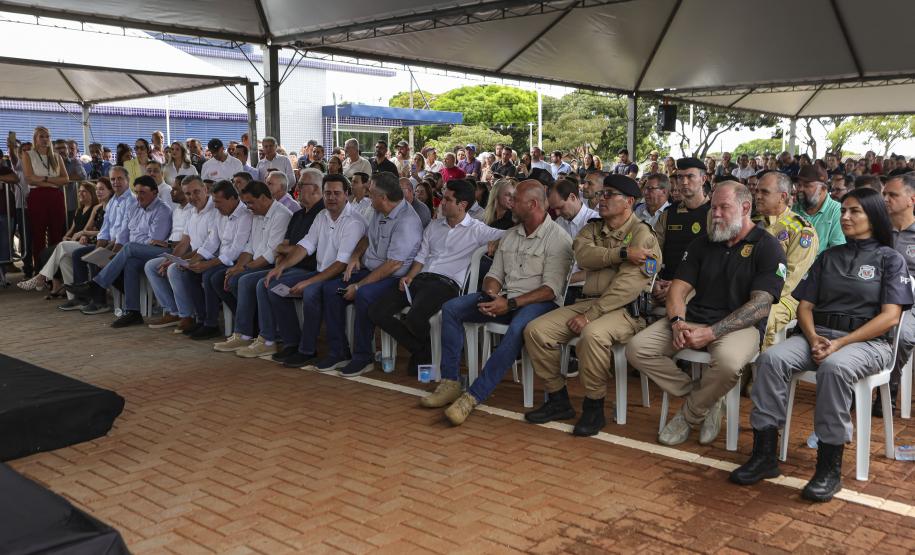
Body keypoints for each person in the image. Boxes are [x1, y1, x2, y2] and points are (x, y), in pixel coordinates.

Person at [731, 187, 912, 502]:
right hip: (819, 335)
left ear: (874, 215)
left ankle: (829, 468)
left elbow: (890, 318)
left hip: (868, 343)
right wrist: (814, 338)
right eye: (843, 210)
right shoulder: (829, 256)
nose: (845, 217)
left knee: (834, 367)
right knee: (771, 360)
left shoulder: (890, 259)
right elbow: (804, 307)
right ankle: (765, 454)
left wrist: (840, 343)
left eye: (855, 211)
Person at [626, 182, 786, 446]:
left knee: (728, 363)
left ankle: (688, 416)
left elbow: (761, 305)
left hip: (740, 326)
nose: (716, 214)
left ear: (745, 208)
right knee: (637, 348)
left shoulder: (767, 246)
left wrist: (711, 333)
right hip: (694, 317)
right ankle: (707, 398)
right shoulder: (703, 243)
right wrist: (678, 323)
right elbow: (678, 290)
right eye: (713, 207)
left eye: (724, 207)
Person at [422, 180, 573, 425]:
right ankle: (450, 381)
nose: (510, 204)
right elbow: (495, 274)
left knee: (517, 329)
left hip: (540, 304)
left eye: (516, 200)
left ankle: (473, 396)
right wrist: (491, 291)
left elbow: (549, 290)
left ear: (532, 204)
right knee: (451, 309)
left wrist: (510, 304)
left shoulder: (558, 239)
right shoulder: (512, 234)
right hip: (505, 299)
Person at [525, 175, 661, 434]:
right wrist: (620, 254)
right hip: (589, 302)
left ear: (629, 202)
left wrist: (590, 316)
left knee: (592, 334)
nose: (602, 198)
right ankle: (558, 398)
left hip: (626, 311)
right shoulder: (594, 227)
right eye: (602, 193)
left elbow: (627, 287)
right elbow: (582, 255)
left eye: (610, 194)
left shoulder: (642, 235)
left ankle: (594, 406)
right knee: (536, 330)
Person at [368, 179, 505, 374]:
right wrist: (410, 276)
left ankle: (423, 352)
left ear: (462, 205)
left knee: (415, 317)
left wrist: (497, 241)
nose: (442, 203)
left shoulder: (477, 229)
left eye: (448, 200)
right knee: (376, 311)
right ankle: (423, 350)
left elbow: (511, 234)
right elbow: (421, 256)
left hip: (445, 285)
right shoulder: (434, 226)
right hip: (421, 279)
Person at [306, 172, 422, 375]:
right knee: (331, 289)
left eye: (371, 192)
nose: (367, 195)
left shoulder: (407, 222)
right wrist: (355, 256)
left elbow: (393, 265)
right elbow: (367, 237)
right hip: (371, 269)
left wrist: (359, 286)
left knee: (363, 295)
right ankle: (338, 351)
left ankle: (363, 357)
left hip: (392, 278)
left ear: (383, 197)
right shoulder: (379, 209)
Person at [262, 174, 367, 367]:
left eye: (336, 193)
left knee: (310, 292)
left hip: (342, 275)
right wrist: (281, 267)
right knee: (275, 287)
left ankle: (307, 350)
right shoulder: (322, 216)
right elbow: (305, 246)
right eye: (327, 193)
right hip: (321, 273)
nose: (331, 197)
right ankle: (293, 343)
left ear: (346, 195)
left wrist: (309, 282)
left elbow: (341, 264)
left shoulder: (353, 221)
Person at [229, 172, 327, 358]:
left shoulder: (322, 213)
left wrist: (287, 251)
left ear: (315, 188)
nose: (296, 188)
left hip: (310, 269)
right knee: (262, 281)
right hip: (291, 266)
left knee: (268, 285)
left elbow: (308, 248)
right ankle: (271, 336)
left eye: (301, 184)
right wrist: (279, 265)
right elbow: (282, 249)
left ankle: (272, 338)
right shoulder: (298, 215)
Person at [66, 175, 173, 327]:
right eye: (137, 192)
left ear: (155, 192)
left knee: (129, 248)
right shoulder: (135, 207)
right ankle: (133, 312)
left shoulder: (162, 210)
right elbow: (123, 234)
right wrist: (115, 252)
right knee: (127, 261)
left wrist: (128, 247)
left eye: (143, 192)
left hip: (157, 251)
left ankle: (97, 285)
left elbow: (155, 241)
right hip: (135, 252)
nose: (139, 197)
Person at [211, 181, 293, 353]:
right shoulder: (257, 213)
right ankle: (251, 326)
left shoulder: (281, 214)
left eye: (250, 202)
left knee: (245, 281)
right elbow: (249, 247)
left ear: (263, 198)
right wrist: (238, 267)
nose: (248, 207)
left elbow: (272, 252)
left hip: (272, 264)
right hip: (257, 262)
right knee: (222, 277)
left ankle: (246, 334)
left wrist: (245, 269)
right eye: (246, 203)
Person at [178, 180, 253, 338]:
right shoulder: (221, 213)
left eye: (218, 202)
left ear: (233, 198)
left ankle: (211, 324)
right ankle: (202, 319)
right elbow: (212, 241)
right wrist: (195, 259)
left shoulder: (245, 215)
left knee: (209, 275)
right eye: (214, 202)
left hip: (238, 261)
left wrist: (207, 264)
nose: (216, 206)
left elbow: (236, 250)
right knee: (189, 272)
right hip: (222, 259)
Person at [754, 171, 819, 348]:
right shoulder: (751, 222)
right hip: (749, 290)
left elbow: (792, 277)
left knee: (764, 317)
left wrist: (759, 296)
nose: (757, 196)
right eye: (757, 191)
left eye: (764, 192)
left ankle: (760, 372)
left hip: (784, 296)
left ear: (782, 197)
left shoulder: (800, 229)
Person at [60, 166, 137, 313]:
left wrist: (104, 253)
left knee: (98, 259)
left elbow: (124, 233)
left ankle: (100, 302)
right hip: (110, 243)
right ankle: (82, 298)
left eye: (120, 178)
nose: (116, 182)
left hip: (123, 245)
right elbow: (105, 229)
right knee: (79, 254)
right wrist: (99, 248)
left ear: (128, 180)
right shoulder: (113, 200)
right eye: (113, 179)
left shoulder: (131, 201)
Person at [143, 176, 216, 328]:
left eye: (196, 192)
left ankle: (187, 315)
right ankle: (172, 311)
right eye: (188, 194)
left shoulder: (214, 210)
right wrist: (172, 258)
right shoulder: (193, 211)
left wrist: (177, 260)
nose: (192, 197)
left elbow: (210, 245)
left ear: (205, 189)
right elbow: (184, 242)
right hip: (194, 255)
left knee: (174, 269)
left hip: (210, 256)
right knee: (152, 265)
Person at [18, 181, 104, 296]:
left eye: (84, 191)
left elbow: (88, 230)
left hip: (88, 242)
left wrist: (82, 235)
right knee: (49, 253)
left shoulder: (95, 208)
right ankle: (69, 294)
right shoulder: (79, 210)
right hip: (77, 240)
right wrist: (66, 236)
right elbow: (73, 229)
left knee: (59, 248)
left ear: (91, 194)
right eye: (79, 191)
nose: (81, 194)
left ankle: (41, 277)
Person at [876, 173, 915, 416]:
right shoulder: (877, 232)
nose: (886, 199)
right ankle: (848, 387)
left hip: (910, 303)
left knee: (903, 336)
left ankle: (888, 389)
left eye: (893, 195)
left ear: (912, 199)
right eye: (884, 195)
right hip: (875, 298)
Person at [652, 157, 711, 304]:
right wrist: (653, 281)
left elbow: (717, 263)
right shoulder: (669, 213)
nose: (684, 182)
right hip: (663, 285)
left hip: (699, 291)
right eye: (680, 177)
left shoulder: (715, 214)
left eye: (690, 176)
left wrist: (680, 287)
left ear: (703, 179)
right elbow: (652, 251)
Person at [21, 126, 70, 271]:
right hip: (37, 196)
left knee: (57, 234)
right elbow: (30, 179)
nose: (45, 139)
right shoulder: (28, 154)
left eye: (47, 136)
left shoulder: (57, 156)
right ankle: (40, 272)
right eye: (41, 136)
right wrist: (53, 180)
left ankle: (57, 273)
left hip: (55, 196)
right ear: (35, 139)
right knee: (38, 235)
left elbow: (66, 179)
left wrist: (45, 179)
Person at [793, 164, 844, 253]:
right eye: (799, 185)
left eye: (806, 185)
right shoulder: (795, 208)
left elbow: (837, 252)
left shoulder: (836, 211)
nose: (800, 189)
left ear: (823, 188)